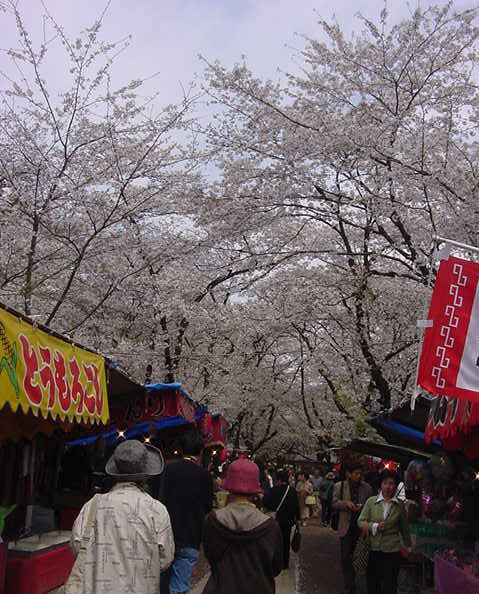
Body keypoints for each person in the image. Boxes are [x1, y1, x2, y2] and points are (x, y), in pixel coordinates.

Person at [68, 440, 174, 594]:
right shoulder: (157, 510)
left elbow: (77, 546)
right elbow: (165, 559)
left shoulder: (92, 505)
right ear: (145, 476)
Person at [202, 458, 283, 594]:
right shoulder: (270, 527)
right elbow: (276, 567)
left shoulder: (212, 520)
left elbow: (210, 555)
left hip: (221, 588)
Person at [160, 429, 214, 594]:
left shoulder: (168, 470)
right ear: (200, 452)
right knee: (180, 586)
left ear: (181, 449)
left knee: (161, 582)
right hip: (191, 535)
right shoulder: (205, 476)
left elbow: (161, 500)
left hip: (167, 533)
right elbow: (207, 506)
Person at [358, 470, 411, 594]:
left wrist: (408, 547)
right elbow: (360, 521)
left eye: (391, 483)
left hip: (392, 550)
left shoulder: (399, 505)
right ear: (380, 485)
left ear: (395, 486)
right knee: (373, 583)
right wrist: (375, 526)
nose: (388, 487)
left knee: (390, 584)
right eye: (385, 483)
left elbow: (404, 528)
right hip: (373, 549)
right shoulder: (371, 502)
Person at [333, 463, 372, 594]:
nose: (359, 476)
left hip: (359, 528)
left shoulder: (367, 488)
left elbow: (370, 505)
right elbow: (334, 503)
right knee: (345, 557)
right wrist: (346, 504)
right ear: (349, 474)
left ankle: (353, 580)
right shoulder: (339, 486)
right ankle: (348, 585)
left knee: (358, 556)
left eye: (360, 473)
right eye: (356, 473)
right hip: (345, 526)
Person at [264, 469, 300, 569]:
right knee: (286, 541)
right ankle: (285, 563)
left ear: (279, 479)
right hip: (288, 521)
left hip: (275, 520)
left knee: (274, 541)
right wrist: (297, 518)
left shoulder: (273, 490)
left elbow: (267, 504)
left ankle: (274, 562)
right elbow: (295, 506)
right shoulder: (292, 491)